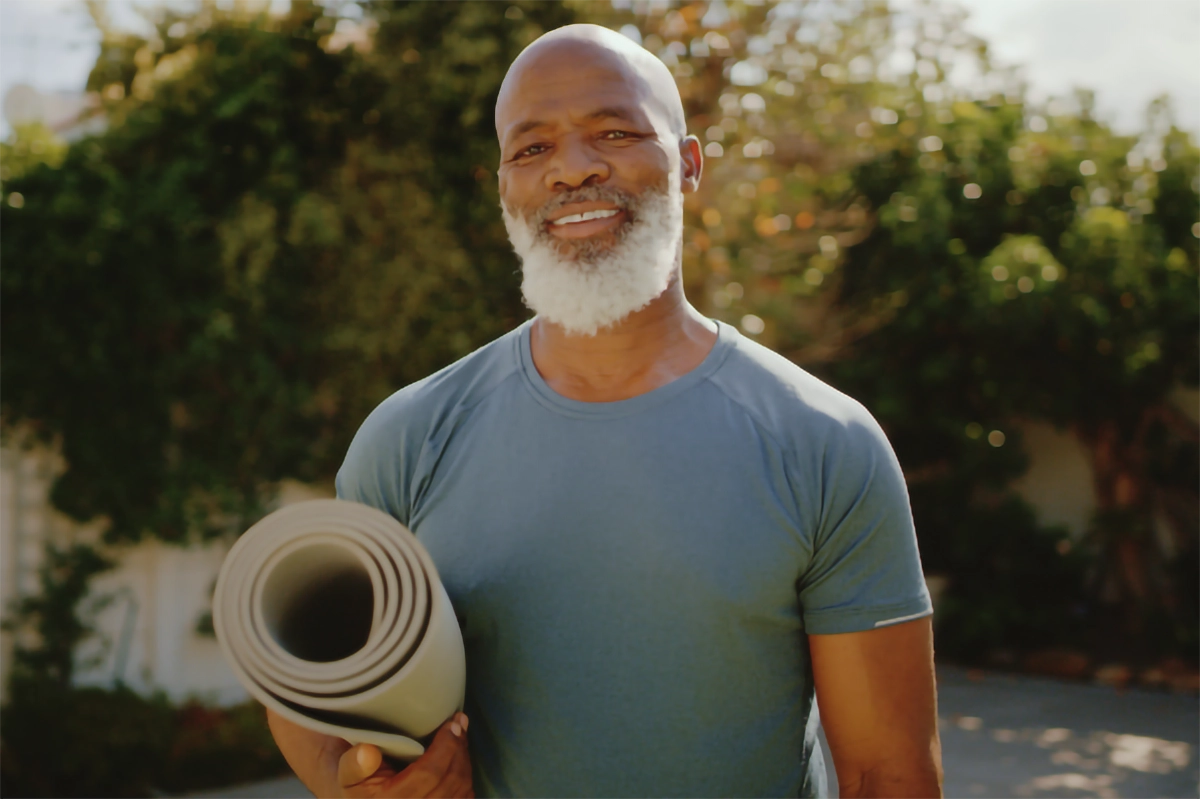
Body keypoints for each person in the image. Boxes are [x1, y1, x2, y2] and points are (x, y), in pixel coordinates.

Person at [267, 23, 943, 800]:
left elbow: (886, 775)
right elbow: (305, 677)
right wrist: (349, 781)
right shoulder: (408, 437)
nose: (573, 169)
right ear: (505, 190)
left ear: (688, 165)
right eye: (532, 149)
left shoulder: (826, 441)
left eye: (614, 132)